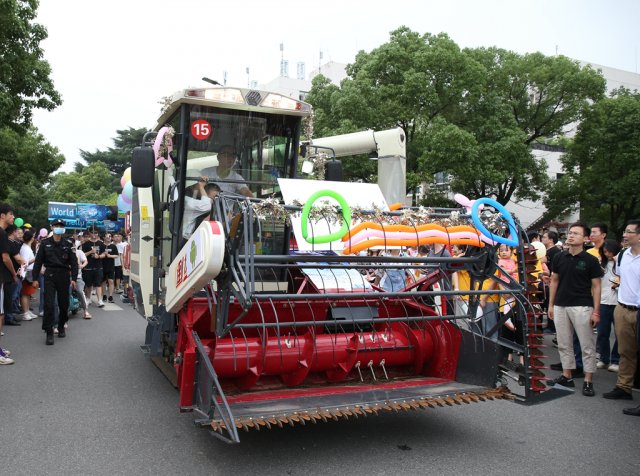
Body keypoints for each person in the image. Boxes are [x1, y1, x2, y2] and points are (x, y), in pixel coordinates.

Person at [548, 223, 603, 397]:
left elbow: (596, 287)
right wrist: (551, 304)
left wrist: (596, 311)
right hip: (560, 305)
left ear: (585, 238)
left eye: (576, 234)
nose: (571, 236)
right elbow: (554, 281)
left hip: (582, 306)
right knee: (564, 343)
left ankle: (588, 380)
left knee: (587, 345)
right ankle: (567, 375)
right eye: (570, 233)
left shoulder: (591, 260)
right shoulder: (559, 257)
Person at [603, 219, 640, 402]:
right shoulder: (623, 255)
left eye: (629, 232)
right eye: (624, 231)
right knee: (625, 351)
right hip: (623, 307)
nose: (624, 235)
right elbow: (620, 277)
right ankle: (624, 387)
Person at [32, 219, 78, 345]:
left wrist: (74, 278)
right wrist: (35, 279)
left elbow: (74, 262)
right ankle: (49, 331)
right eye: (56, 225)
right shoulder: (44, 243)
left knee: (64, 305)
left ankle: (61, 325)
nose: (58, 227)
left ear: (63, 228)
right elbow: (38, 262)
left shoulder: (68, 243)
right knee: (49, 305)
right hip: (50, 276)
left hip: (63, 276)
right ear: (51, 227)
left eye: (61, 226)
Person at [596, 239, 621, 372]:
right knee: (602, 333)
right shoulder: (601, 264)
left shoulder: (621, 263)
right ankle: (604, 359)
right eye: (605, 252)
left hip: (619, 302)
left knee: (619, 334)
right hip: (604, 302)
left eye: (610, 251)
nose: (608, 254)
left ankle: (616, 359)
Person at [0, 203, 16, 364]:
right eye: (10, 214)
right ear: (2, 215)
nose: (13, 217)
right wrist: (13, 273)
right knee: (0, 315)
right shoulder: (2, 233)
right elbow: (6, 258)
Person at [182, 171, 214, 240]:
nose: (204, 189)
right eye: (203, 185)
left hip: (186, 237)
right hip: (183, 238)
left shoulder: (190, 199)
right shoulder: (186, 200)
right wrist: (201, 186)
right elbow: (207, 206)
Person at [81, 228, 106, 307]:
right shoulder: (86, 244)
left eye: (96, 232)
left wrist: (98, 256)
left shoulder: (101, 243)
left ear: (98, 234)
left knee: (98, 284)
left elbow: (104, 254)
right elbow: (82, 255)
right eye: (92, 233)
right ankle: (88, 299)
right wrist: (91, 252)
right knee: (88, 285)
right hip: (88, 267)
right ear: (90, 234)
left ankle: (100, 300)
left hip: (98, 267)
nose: (94, 234)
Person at [18, 230, 38, 321]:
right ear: (32, 238)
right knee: (25, 293)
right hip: (27, 273)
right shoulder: (25, 248)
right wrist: (34, 259)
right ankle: (25, 313)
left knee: (28, 293)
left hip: (30, 272)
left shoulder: (26, 247)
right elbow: (25, 263)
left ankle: (27, 311)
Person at [102, 233, 118, 303]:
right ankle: (104, 295)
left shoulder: (113, 246)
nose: (108, 237)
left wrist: (110, 256)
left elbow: (116, 255)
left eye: (110, 236)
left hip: (111, 266)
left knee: (111, 281)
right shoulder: (101, 245)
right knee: (103, 282)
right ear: (104, 238)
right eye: (107, 236)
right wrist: (103, 255)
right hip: (102, 266)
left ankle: (110, 296)